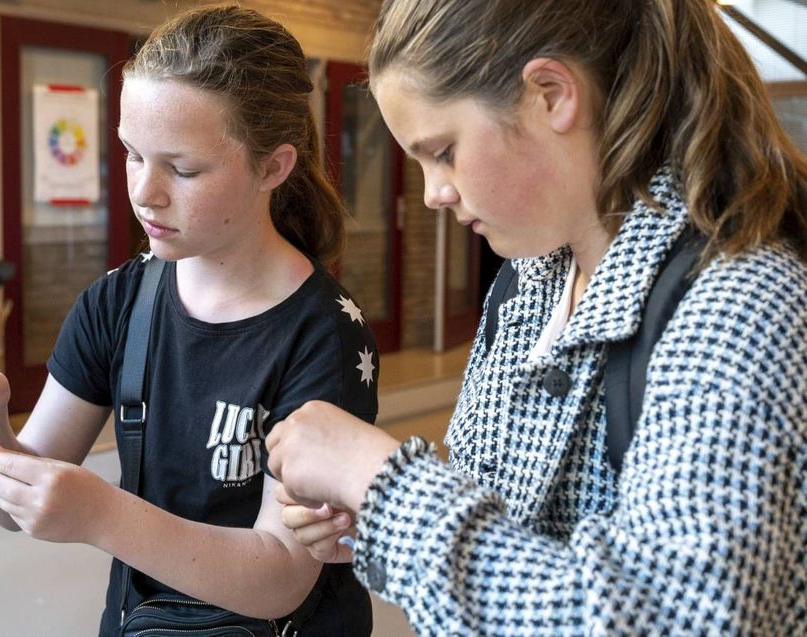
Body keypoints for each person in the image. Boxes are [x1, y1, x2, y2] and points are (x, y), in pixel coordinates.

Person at [265, 0, 807, 634]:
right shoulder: (529, 284)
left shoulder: (741, 303)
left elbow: (677, 619)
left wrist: (382, 483)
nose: (434, 192)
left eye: (443, 151)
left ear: (550, 94)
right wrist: (374, 522)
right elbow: (501, 517)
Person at [0, 6, 376, 635]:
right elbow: (12, 505)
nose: (145, 192)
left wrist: (103, 513)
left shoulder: (322, 333)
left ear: (273, 166)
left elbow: (281, 577)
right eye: (132, 154)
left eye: (183, 170)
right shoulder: (116, 305)